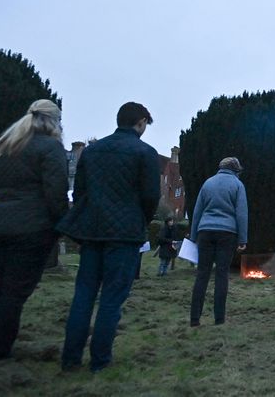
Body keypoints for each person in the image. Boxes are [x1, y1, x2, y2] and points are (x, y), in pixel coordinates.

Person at [58, 102, 161, 372]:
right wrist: (142, 221)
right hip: (125, 234)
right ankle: (100, 360)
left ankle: (70, 359)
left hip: (92, 231)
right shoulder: (145, 153)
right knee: (112, 298)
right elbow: (151, 196)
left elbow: (79, 192)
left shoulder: (92, 151)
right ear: (140, 122)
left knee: (83, 294)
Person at [0, 100, 69, 362]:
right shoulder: (50, 148)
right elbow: (56, 193)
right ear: (54, 121)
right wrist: (61, 224)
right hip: (32, 228)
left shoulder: (4, 146)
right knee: (13, 292)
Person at [189, 157, 248, 326]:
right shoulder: (237, 185)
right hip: (227, 233)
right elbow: (241, 213)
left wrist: (194, 236)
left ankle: (194, 319)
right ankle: (219, 319)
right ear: (236, 170)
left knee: (202, 274)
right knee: (222, 275)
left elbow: (197, 211)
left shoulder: (208, 183)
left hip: (205, 231)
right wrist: (242, 239)